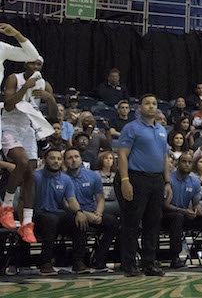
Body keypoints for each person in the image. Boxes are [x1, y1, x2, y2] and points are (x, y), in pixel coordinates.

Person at [3, 56, 58, 243]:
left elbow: (53, 115)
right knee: (22, 162)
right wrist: (25, 87)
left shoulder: (44, 84)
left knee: (30, 176)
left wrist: (49, 98)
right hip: (9, 126)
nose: (35, 67)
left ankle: (26, 223)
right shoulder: (14, 78)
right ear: (25, 63)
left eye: (39, 65)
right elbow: (9, 106)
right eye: (32, 63)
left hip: (29, 129)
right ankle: (7, 206)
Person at [117, 93, 172, 276]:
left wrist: (167, 182)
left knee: (153, 223)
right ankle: (129, 263)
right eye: (147, 103)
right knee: (132, 223)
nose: (151, 106)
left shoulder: (162, 130)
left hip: (156, 180)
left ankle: (149, 263)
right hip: (136, 178)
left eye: (154, 103)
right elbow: (123, 155)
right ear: (140, 108)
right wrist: (125, 180)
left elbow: (165, 157)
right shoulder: (131, 128)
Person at [159, 151, 202, 268]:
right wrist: (183, 211)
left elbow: (196, 203)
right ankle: (175, 258)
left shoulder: (195, 181)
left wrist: (198, 209)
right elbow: (164, 205)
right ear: (178, 163)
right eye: (184, 162)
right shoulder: (169, 180)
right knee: (178, 217)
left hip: (183, 214)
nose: (187, 164)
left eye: (189, 162)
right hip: (167, 216)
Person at [31, 148, 86, 274]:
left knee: (79, 220)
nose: (56, 161)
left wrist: (79, 212)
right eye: (52, 158)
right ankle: (45, 263)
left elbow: (71, 200)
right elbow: (26, 199)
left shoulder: (66, 179)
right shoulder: (35, 177)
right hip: (39, 215)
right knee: (50, 220)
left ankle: (78, 262)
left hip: (58, 215)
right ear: (45, 160)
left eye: (59, 159)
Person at [65, 147, 118, 271]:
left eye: (76, 157)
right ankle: (79, 262)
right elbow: (65, 203)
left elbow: (100, 198)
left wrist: (98, 214)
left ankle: (98, 258)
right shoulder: (63, 177)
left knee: (113, 223)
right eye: (69, 158)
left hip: (93, 212)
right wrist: (82, 213)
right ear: (65, 161)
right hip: (72, 213)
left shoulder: (92, 176)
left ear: (81, 159)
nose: (73, 160)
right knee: (79, 222)